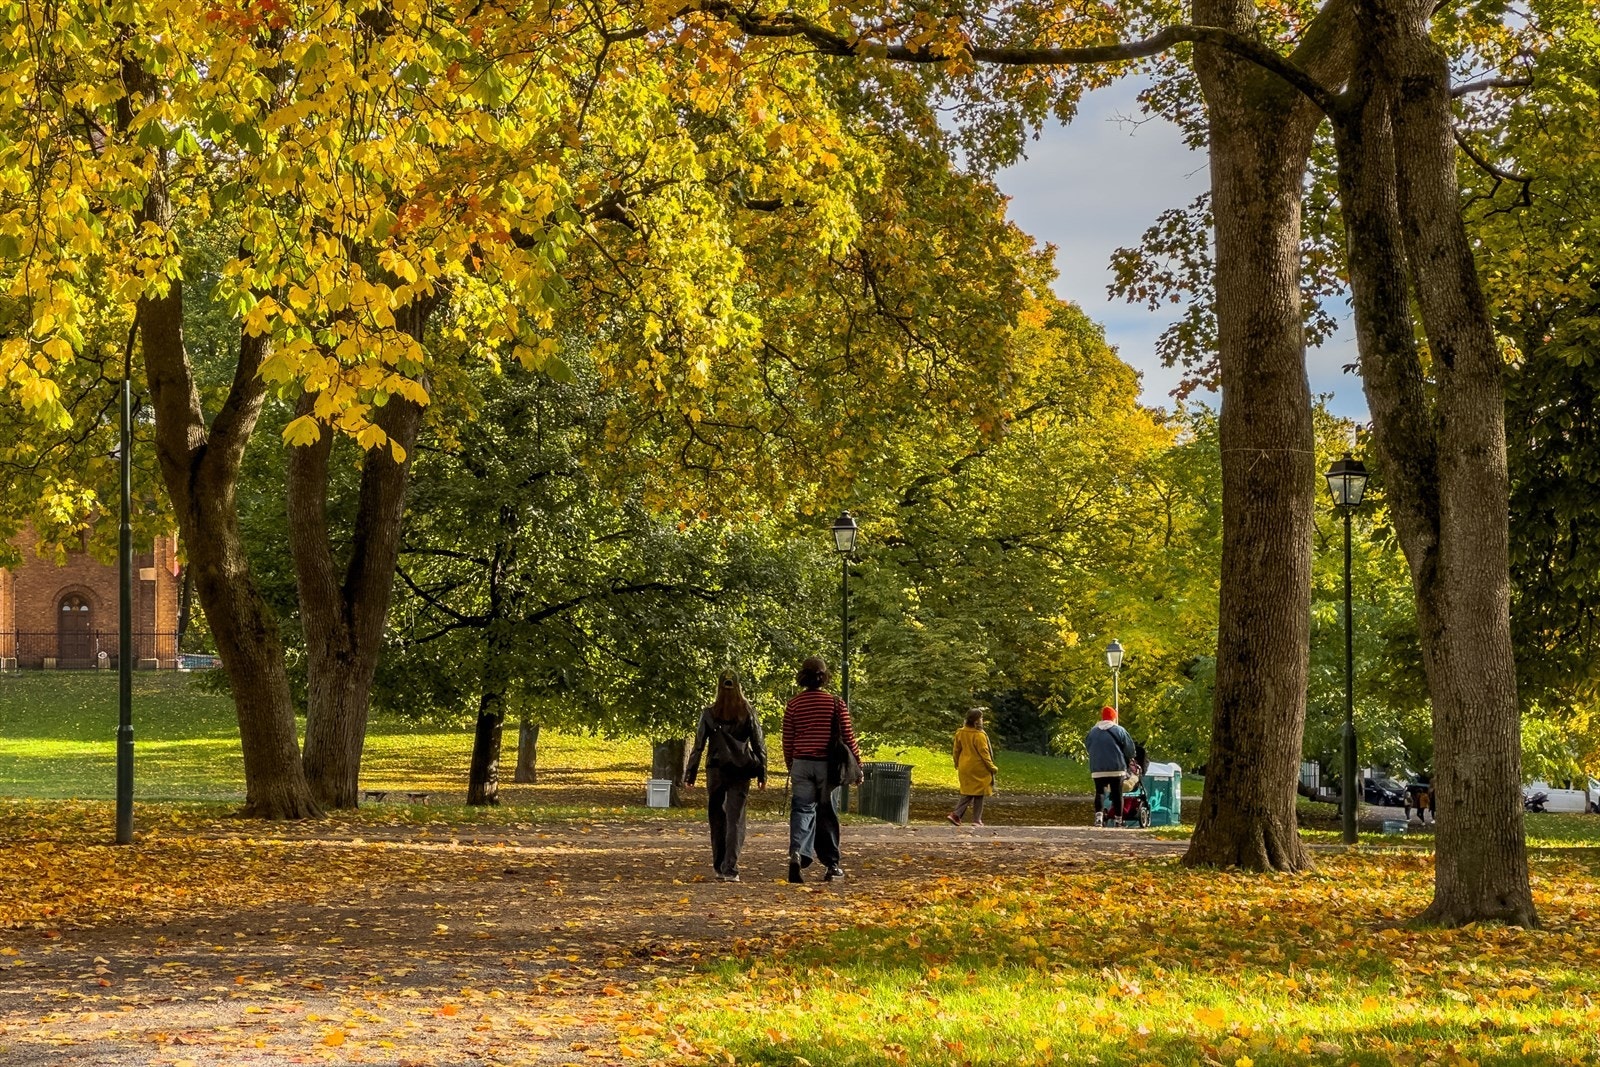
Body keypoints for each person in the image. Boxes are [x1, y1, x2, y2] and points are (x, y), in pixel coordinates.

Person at [781, 655, 863, 884]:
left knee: (802, 809)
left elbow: (788, 738)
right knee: (827, 813)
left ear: (802, 677)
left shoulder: (794, 704)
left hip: (801, 763)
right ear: (824, 677)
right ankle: (831, 865)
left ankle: (798, 852)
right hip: (828, 766)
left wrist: (791, 764)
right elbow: (848, 737)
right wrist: (858, 765)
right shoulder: (836, 703)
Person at [684, 669, 768, 882]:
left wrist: (690, 774)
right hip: (740, 769)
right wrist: (762, 773)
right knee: (736, 819)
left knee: (717, 818)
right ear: (739, 686)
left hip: (716, 769)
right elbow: (758, 743)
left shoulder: (709, 713)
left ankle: (719, 866)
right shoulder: (747, 712)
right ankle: (730, 867)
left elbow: (698, 746)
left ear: (719, 686)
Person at [1085, 706, 1136, 827]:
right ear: (1114, 718)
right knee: (1117, 793)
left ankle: (1098, 818)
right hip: (1116, 767)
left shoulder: (1092, 732)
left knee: (1100, 792)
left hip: (1098, 768)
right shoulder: (1120, 730)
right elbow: (1130, 750)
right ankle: (1118, 820)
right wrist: (1130, 758)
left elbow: (1088, 746)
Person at [948, 707, 998, 827]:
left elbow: (956, 750)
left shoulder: (960, 732)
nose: (982, 720)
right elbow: (984, 753)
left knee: (969, 792)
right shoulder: (979, 735)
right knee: (979, 793)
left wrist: (956, 763)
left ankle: (958, 816)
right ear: (976, 720)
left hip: (964, 766)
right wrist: (992, 767)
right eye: (981, 718)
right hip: (978, 768)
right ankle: (974, 819)